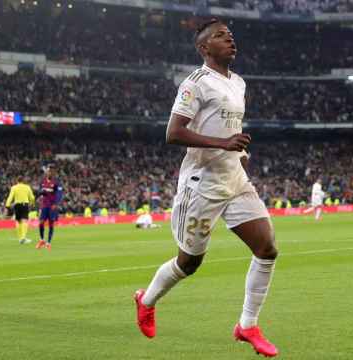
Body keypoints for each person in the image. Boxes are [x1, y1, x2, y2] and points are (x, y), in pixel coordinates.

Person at [133, 19, 279, 357]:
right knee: (189, 263)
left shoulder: (239, 83)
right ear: (204, 48)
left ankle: (247, 325)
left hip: (235, 179)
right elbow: (173, 132)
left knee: (267, 249)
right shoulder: (195, 83)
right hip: (202, 184)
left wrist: (238, 153)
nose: (229, 39)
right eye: (219, 36)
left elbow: (231, 129)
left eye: (230, 34)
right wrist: (224, 143)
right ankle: (147, 299)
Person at [36, 165, 63, 250]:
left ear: (53, 173)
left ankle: (48, 242)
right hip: (44, 205)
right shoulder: (43, 182)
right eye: (48, 171)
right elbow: (41, 192)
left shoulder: (56, 182)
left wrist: (56, 203)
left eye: (51, 171)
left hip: (52, 206)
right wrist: (40, 194)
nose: (49, 173)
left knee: (51, 224)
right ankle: (41, 240)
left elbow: (59, 194)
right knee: (41, 222)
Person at [5, 176, 36, 244]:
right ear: (23, 180)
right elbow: (32, 197)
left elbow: (10, 197)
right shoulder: (27, 187)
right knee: (24, 221)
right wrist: (33, 203)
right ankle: (23, 238)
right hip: (24, 205)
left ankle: (20, 238)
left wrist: (7, 205)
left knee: (18, 221)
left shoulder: (14, 187)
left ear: (17, 181)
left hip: (17, 205)